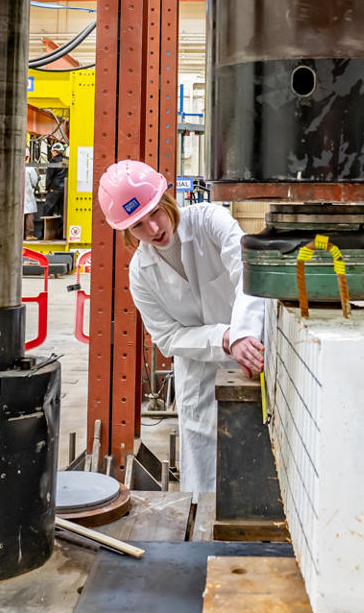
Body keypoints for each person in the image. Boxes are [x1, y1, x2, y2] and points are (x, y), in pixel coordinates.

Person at [98, 160, 270, 494]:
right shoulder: (141, 274)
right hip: (199, 377)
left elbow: (249, 273)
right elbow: (168, 337)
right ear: (126, 231)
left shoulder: (210, 221)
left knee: (258, 467)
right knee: (203, 480)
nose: (152, 229)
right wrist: (225, 338)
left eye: (155, 213)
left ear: (167, 198)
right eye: (137, 225)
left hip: (253, 356)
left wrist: (243, 332)